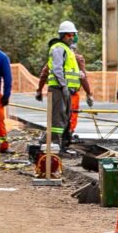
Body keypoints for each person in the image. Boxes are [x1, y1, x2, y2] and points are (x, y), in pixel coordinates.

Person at [35, 21, 81, 150]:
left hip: (65, 89)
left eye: (73, 35)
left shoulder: (67, 49)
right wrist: (64, 86)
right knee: (58, 118)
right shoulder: (58, 48)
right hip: (59, 89)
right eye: (70, 35)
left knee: (64, 118)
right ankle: (53, 146)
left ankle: (52, 143)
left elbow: (68, 70)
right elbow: (57, 69)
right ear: (64, 35)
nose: (72, 37)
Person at [36, 42, 93, 143]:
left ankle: (57, 140)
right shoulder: (77, 59)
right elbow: (84, 78)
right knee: (67, 118)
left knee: (59, 118)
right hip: (68, 93)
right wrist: (89, 94)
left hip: (62, 92)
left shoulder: (59, 57)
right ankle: (62, 139)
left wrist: (39, 90)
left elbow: (44, 74)